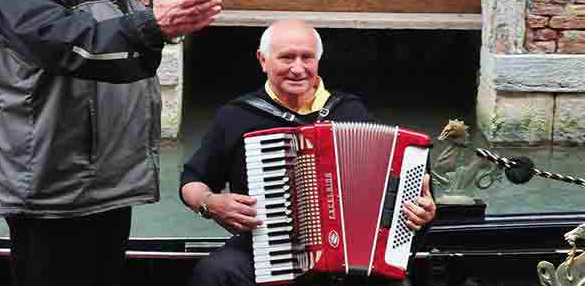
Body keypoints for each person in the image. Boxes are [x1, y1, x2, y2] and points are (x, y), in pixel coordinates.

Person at [0, 0, 222, 286]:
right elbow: (72, 48)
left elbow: (126, 56)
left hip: (108, 178)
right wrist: (151, 26)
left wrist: (158, 28)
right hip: (53, 184)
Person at [180, 20, 437, 286]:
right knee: (214, 273)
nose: (298, 68)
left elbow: (395, 193)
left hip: (346, 257)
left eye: (307, 58)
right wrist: (210, 203)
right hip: (263, 248)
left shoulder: (350, 111)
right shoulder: (237, 116)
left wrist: (423, 213)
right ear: (263, 60)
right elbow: (192, 180)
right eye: (287, 58)